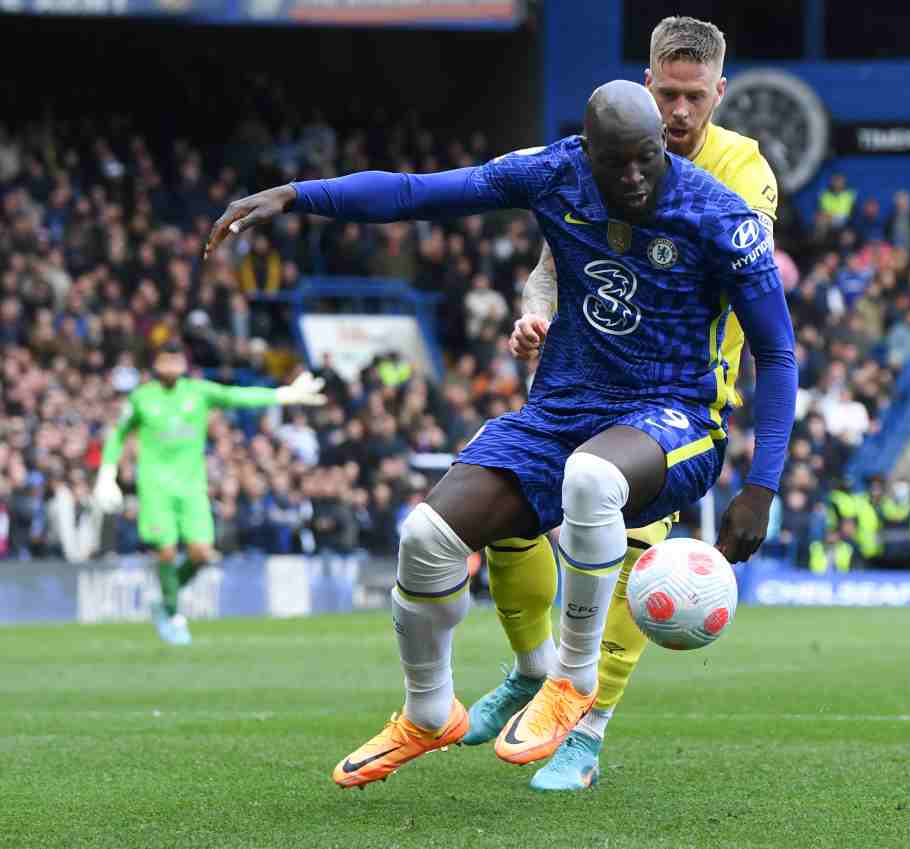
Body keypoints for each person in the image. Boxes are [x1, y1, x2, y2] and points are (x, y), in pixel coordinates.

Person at [206, 79, 797, 791]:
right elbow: (416, 193)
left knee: (590, 478)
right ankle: (429, 713)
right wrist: (299, 195)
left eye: (648, 159)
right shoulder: (554, 171)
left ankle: (572, 680)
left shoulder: (721, 216)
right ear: (587, 152)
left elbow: (777, 353)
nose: (636, 177)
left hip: (674, 416)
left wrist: (762, 485)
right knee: (425, 539)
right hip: (562, 409)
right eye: (618, 163)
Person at [478, 15, 783, 791]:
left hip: (670, 398)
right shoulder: (605, 150)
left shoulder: (741, 170)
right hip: (581, 383)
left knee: (630, 553)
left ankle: (587, 731)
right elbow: (552, 265)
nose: (679, 112)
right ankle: (530, 670)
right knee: (506, 517)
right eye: (667, 94)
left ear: (720, 92)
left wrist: (763, 476)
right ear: (647, 85)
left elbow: (749, 271)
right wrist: (537, 311)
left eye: (694, 97)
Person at [93, 341, 325, 644]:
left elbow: (237, 396)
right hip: (155, 488)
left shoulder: (198, 392)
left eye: (177, 359)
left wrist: (282, 395)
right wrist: (106, 472)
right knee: (165, 550)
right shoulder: (142, 397)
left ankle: (164, 600)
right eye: (166, 359)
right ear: (156, 363)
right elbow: (118, 434)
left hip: (192, 487)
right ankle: (173, 615)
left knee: (202, 553)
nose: (172, 365)